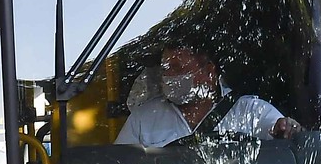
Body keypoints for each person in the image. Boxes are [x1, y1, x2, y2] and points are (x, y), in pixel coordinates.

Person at [116, 46, 300, 149]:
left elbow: (284, 133)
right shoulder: (143, 118)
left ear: (209, 71)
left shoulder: (251, 111)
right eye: (165, 69)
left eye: (178, 68)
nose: (169, 75)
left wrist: (287, 129)